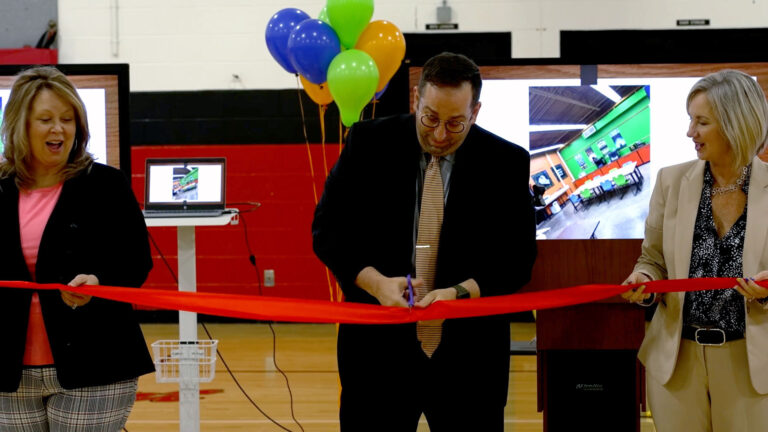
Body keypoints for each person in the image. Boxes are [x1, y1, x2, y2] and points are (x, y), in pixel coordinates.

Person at [312, 52, 536, 431]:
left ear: (476, 111)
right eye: (430, 118)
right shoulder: (368, 143)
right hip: (377, 355)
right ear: (416, 98)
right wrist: (375, 282)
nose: (439, 134)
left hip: (470, 359)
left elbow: (517, 259)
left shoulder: (505, 162)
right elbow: (328, 230)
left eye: (455, 124)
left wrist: (459, 294)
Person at [0, 66, 154, 431]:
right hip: (8, 374)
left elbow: (136, 260)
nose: (59, 129)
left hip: (95, 364)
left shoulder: (106, 185)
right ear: (21, 126)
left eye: (67, 119)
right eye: (46, 119)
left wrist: (99, 281)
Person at [621, 69, 768, 431]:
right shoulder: (671, 182)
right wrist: (644, 278)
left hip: (751, 362)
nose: (691, 133)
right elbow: (652, 259)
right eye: (691, 120)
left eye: (701, 122)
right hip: (677, 361)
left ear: (737, 124)